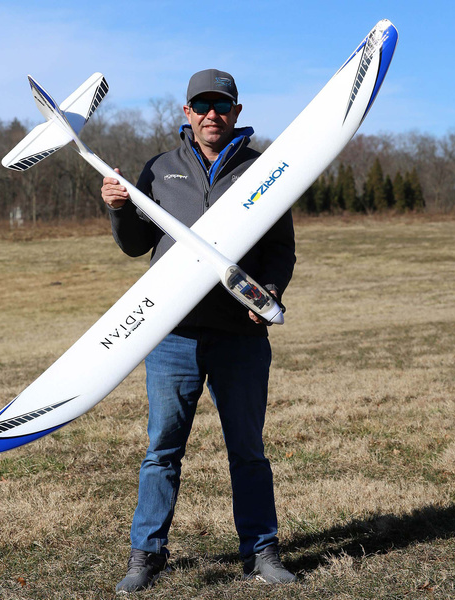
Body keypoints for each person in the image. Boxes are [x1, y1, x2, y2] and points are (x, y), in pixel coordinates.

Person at [100, 69, 297, 593]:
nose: (213, 114)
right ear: (186, 112)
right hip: (172, 336)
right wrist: (119, 209)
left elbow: (280, 249)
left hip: (240, 336)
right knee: (162, 449)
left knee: (247, 449)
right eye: (202, 105)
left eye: (222, 105)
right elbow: (135, 245)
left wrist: (269, 290)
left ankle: (261, 552)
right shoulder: (160, 169)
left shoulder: (264, 169)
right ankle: (146, 556)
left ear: (236, 111)